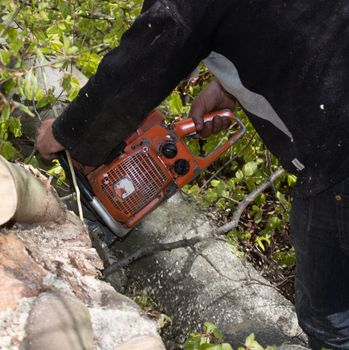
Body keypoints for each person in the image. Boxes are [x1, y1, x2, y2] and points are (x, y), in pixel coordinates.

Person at [35, 1, 349, 348]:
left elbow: (144, 59)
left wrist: (67, 134)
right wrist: (231, 81)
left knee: (330, 318)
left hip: (338, 160)